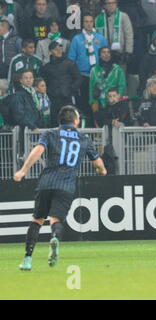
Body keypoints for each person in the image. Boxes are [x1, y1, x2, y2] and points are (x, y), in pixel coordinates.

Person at [14, 105, 107, 271]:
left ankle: (27, 259)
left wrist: (23, 170)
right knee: (56, 220)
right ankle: (55, 238)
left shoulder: (50, 133)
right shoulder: (83, 139)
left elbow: (38, 150)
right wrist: (102, 170)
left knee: (37, 220)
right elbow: (97, 162)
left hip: (46, 183)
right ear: (76, 121)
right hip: (66, 185)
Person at [68, 14, 108, 127]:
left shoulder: (100, 38)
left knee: (98, 102)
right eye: (86, 21)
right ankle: (87, 127)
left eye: (91, 21)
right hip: (83, 75)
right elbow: (71, 59)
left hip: (98, 76)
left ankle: (99, 128)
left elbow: (105, 56)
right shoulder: (77, 39)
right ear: (83, 23)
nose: (89, 24)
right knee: (85, 103)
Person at [41, 41, 82, 128]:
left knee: (69, 121)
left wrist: (70, 90)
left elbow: (78, 79)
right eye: (55, 49)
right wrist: (49, 92)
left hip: (67, 98)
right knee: (54, 123)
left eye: (60, 48)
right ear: (50, 51)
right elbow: (44, 82)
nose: (59, 51)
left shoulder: (70, 63)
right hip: (53, 100)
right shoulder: (46, 67)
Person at [89, 46, 126, 126]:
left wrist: (117, 99)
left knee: (115, 124)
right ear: (99, 55)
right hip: (100, 103)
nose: (106, 54)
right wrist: (93, 103)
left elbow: (122, 86)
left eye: (108, 52)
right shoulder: (94, 70)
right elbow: (91, 88)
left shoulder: (117, 69)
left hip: (114, 102)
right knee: (101, 125)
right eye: (103, 52)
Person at [95, 0, 133, 69]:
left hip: (120, 54)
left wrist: (128, 52)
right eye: (108, 3)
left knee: (119, 76)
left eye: (113, 3)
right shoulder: (98, 19)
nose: (111, 5)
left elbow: (129, 35)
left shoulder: (123, 16)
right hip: (104, 54)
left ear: (116, 4)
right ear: (104, 5)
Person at [0, 18, 21, 83]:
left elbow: (20, 53)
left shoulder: (16, 39)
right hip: (1, 68)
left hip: (13, 67)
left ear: (4, 27)